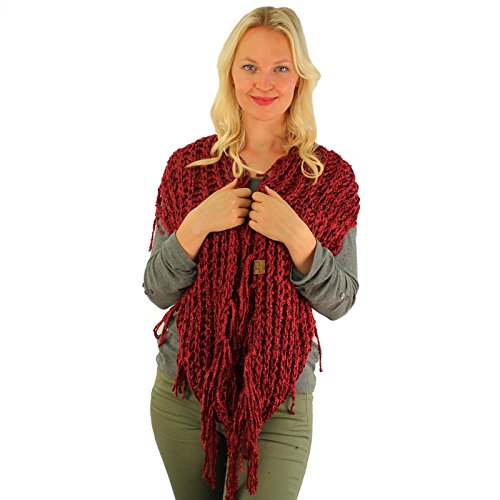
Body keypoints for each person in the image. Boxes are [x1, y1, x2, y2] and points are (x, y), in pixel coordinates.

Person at [143, 6, 360, 500]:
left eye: (281, 67)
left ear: (300, 76)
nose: (265, 82)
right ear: (230, 73)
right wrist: (197, 224)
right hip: (185, 393)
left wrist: (298, 237)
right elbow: (157, 289)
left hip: (280, 400)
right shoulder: (188, 168)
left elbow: (341, 300)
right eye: (250, 66)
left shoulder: (329, 179)